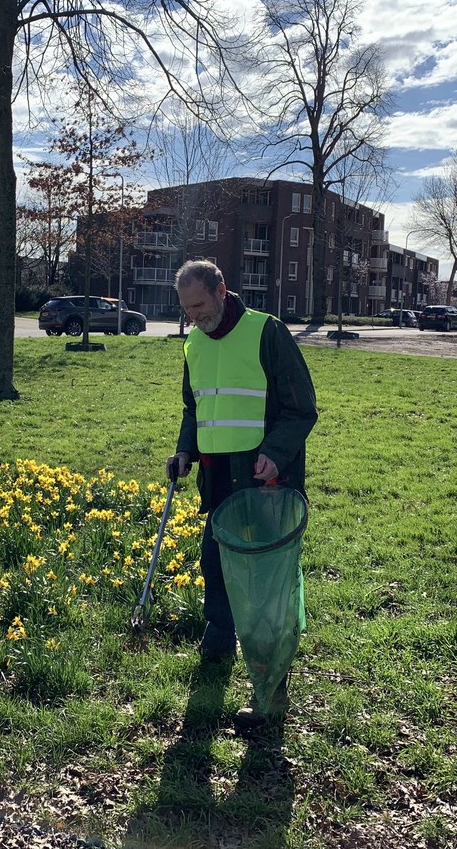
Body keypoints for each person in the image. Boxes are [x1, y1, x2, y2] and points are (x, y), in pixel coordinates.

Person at [166, 260, 318, 729]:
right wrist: (184, 449)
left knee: (266, 588)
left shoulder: (266, 333)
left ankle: (272, 691)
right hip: (217, 478)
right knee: (215, 563)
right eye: (186, 309)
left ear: (221, 290)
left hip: (264, 480)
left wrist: (275, 453)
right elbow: (196, 406)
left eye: (199, 305)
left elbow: (301, 407)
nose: (193, 316)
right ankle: (218, 641)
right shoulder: (192, 343)